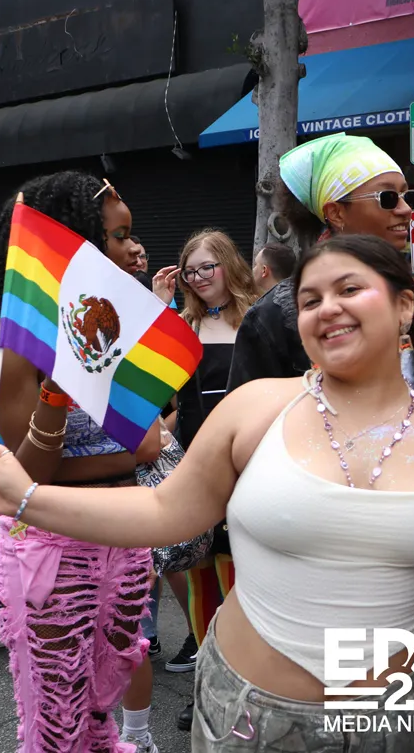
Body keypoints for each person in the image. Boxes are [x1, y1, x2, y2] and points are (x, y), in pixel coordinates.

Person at [0, 234, 414, 753]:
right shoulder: (253, 408)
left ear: (404, 305)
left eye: (349, 289)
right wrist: (25, 497)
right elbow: (164, 508)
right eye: (309, 300)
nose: (327, 309)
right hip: (248, 716)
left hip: (409, 721)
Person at [0, 171, 162, 753]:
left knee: (101, 705)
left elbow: (148, 446)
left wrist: (66, 475)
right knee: (57, 720)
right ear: (74, 241)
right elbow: (30, 476)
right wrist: (58, 390)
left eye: (131, 234)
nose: (133, 249)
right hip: (53, 553)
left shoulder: (119, 330)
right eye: (118, 236)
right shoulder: (16, 340)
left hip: (126, 539)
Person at [226, 132, 414, 415]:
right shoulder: (274, 313)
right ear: (336, 213)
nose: (406, 209)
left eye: (408, 196)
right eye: (387, 198)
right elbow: (242, 419)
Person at [152, 228, 260, 729]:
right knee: (200, 575)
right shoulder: (180, 325)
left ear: (228, 265)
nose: (197, 278)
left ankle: (245, 688)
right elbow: (151, 386)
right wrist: (159, 310)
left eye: (206, 267)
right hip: (196, 466)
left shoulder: (259, 320)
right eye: (189, 270)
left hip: (251, 467)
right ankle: (205, 686)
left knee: (241, 579)